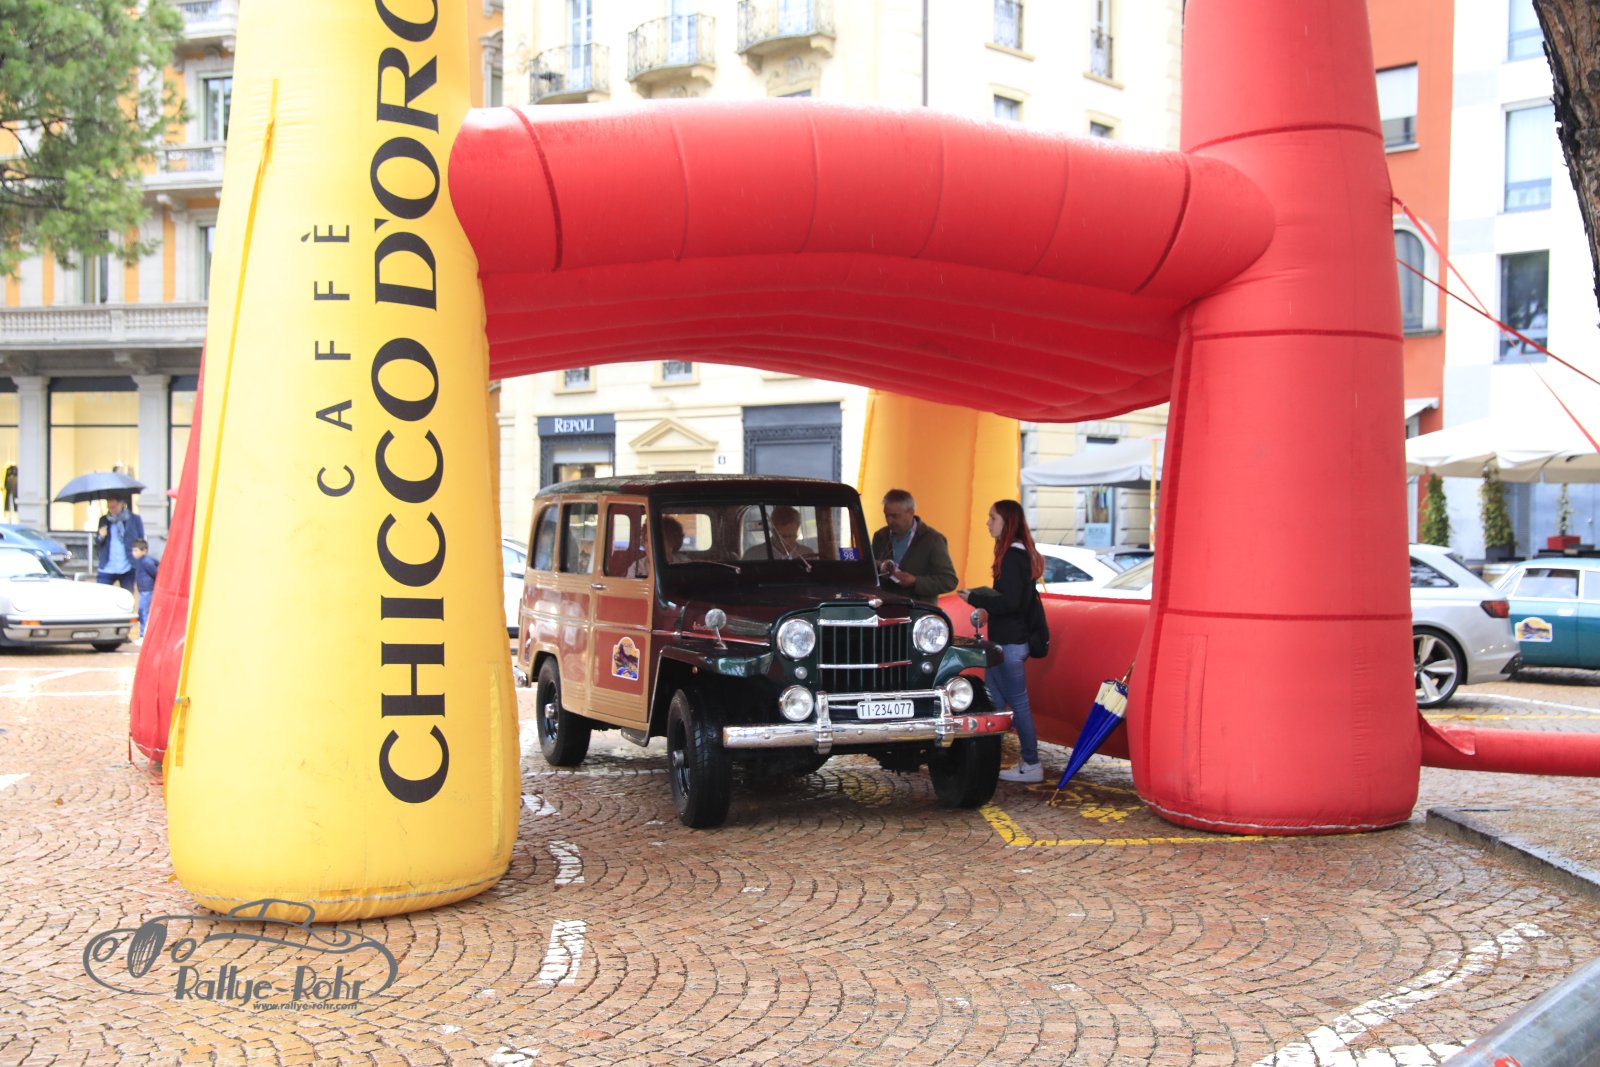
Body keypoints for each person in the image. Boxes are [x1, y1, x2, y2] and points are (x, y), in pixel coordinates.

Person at [958, 499, 1046, 783]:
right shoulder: (1017, 554)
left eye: (992, 517)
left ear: (1007, 523)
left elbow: (1010, 602)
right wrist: (986, 606)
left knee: (1018, 704)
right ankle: (987, 760)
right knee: (993, 702)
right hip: (1004, 643)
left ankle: (1031, 763)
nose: (988, 523)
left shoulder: (1012, 557)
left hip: (1010, 644)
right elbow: (1012, 601)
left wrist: (976, 598)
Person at [870, 489, 958, 598]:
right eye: (886, 515)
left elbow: (949, 581)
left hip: (917, 606)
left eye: (895, 516)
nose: (889, 521)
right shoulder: (880, 536)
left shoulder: (933, 539)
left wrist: (916, 582)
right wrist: (876, 565)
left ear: (911, 513)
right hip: (885, 604)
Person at [95, 494, 145, 594]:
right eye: (109, 507)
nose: (111, 510)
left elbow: (141, 541)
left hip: (127, 566)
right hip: (107, 566)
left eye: (113, 507)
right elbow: (97, 543)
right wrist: (101, 536)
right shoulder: (104, 520)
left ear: (121, 504)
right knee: (101, 595)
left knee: (127, 596)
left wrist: (139, 559)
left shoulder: (134, 519)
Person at [744, 505, 817, 560]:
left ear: (797, 528)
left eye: (791, 536)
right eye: (784, 536)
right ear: (773, 531)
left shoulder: (808, 554)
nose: (787, 542)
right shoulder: (752, 555)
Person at [130, 538, 160, 641]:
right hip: (144, 590)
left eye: (136, 550)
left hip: (147, 590)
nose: (134, 553)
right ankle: (144, 634)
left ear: (144, 551)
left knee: (144, 612)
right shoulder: (142, 561)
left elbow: (155, 573)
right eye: (133, 550)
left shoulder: (146, 562)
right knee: (143, 611)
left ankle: (144, 635)